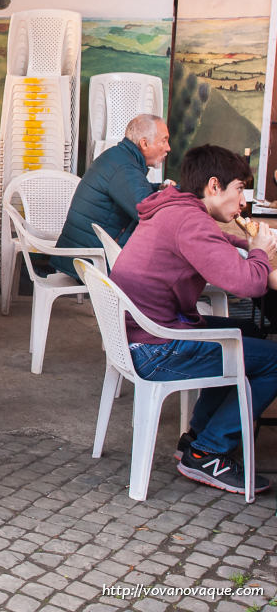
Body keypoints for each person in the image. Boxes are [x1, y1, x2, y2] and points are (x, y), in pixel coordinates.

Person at [110, 144, 277, 495]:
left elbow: (214, 241)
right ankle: (208, 451)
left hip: (141, 334)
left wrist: (248, 245)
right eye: (238, 190)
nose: (242, 202)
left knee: (239, 333)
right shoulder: (190, 221)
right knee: (273, 361)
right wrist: (261, 251)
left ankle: (196, 439)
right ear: (214, 187)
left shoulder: (174, 208)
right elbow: (247, 283)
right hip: (157, 348)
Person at [52, 114, 170, 278]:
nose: (168, 148)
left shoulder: (118, 157)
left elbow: (133, 191)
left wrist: (160, 188)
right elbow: (149, 212)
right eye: (164, 140)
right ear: (144, 143)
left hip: (80, 256)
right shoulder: (125, 168)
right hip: (91, 262)